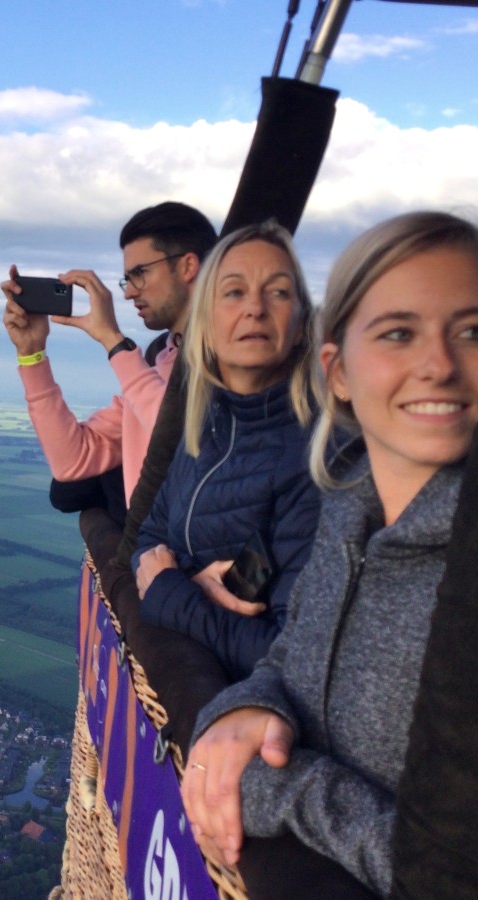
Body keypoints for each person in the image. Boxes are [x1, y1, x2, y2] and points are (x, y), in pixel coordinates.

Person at [180, 210, 478, 899]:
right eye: (398, 333)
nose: (440, 365)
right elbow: (292, 650)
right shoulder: (349, 509)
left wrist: (283, 786)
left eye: (475, 331)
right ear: (338, 371)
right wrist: (243, 711)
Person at [131, 221, 321, 683]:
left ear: (300, 326)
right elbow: (147, 542)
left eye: (278, 293)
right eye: (233, 292)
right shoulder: (206, 427)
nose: (255, 308)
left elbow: (291, 655)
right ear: (206, 323)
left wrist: (172, 596)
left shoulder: (316, 457)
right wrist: (187, 587)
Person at [1, 202, 217, 510]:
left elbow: (189, 445)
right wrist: (31, 354)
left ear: (187, 266)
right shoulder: (160, 361)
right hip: (151, 556)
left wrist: (113, 341)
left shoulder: (234, 358)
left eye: (139, 274)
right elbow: (72, 460)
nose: (129, 292)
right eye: (126, 279)